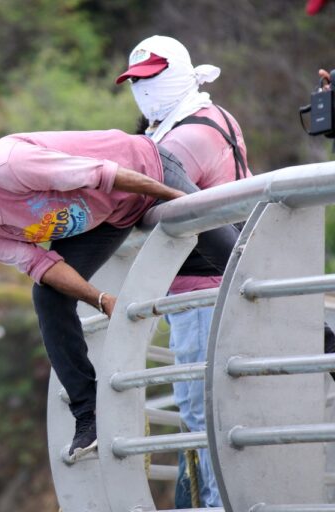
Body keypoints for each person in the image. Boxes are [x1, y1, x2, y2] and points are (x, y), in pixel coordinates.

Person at [0, 129, 241, 462]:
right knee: (47, 296)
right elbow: (40, 264)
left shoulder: (8, 165)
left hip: (145, 170)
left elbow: (105, 174)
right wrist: (102, 299)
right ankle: (89, 416)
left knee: (231, 255)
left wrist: (180, 199)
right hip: (106, 220)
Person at [116, 35, 335, 507]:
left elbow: (136, 199)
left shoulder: (190, 133)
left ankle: (221, 505)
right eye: (136, 81)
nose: (143, 90)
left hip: (206, 293)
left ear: (177, 73)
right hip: (213, 290)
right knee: (218, 414)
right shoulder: (201, 118)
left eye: (152, 77)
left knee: (207, 415)